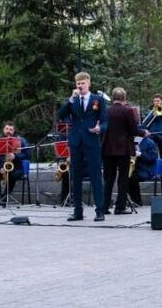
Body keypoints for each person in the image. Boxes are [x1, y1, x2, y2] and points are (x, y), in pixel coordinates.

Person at [57, 72, 109, 222]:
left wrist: (100, 129)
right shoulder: (74, 101)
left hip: (92, 140)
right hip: (76, 141)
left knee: (95, 175)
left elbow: (105, 120)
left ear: (89, 83)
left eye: (83, 83)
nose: (80, 86)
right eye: (78, 84)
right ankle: (77, 210)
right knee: (76, 176)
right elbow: (61, 115)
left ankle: (100, 210)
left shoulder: (97, 100)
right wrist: (70, 100)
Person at [101, 87, 147, 214]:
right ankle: (120, 207)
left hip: (107, 149)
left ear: (113, 98)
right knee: (123, 178)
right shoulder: (127, 111)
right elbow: (133, 130)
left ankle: (104, 206)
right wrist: (144, 133)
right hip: (123, 149)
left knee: (108, 179)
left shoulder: (106, 111)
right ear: (124, 98)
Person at [0, 121, 28, 206]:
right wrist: (0, 167)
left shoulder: (20, 140)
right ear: (3, 130)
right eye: (7, 129)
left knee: (13, 175)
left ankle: (4, 197)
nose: (8, 131)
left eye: (11, 129)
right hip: (2, 167)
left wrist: (15, 156)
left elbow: (27, 154)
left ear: (14, 131)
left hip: (17, 167)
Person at [123, 134, 158, 210]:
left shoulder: (150, 143)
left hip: (147, 170)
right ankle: (130, 200)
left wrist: (141, 154)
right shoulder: (133, 142)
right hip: (137, 169)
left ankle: (137, 201)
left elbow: (153, 158)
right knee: (126, 178)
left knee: (132, 179)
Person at [143, 93, 162, 160]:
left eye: (158, 101)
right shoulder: (149, 112)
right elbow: (145, 123)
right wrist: (153, 113)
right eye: (155, 101)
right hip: (152, 135)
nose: (156, 103)